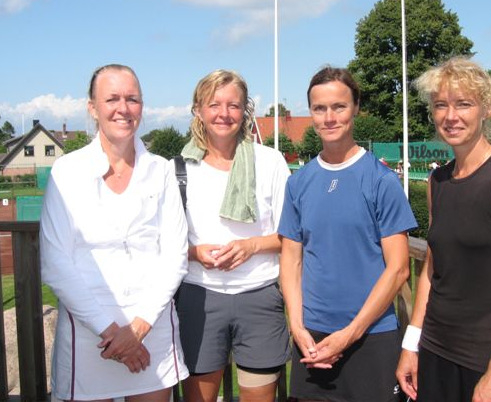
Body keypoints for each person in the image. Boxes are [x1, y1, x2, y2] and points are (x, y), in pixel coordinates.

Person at [396, 56, 491, 402]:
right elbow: (434, 269)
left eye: (463, 104)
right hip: (437, 353)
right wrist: (412, 344)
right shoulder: (438, 180)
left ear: (485, 108)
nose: (451, 116)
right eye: (440, 105)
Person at [40, 64, 189, 401]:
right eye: (112, 99)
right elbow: (55, 263)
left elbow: (175, 256)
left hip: (152, 331)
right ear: (92, 108)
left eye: (132, 99)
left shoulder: (161, 170)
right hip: (88, 335)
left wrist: (137, 330)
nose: (123, 108)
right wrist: (115, 335)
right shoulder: (67, 171)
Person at [278, 66, 417, 402]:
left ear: (356, 107)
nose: (329, 117)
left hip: (370, 336)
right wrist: (297, 327)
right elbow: (291, 261)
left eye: (338, 106)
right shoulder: (299, 182)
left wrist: (348, 335)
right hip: (312, 339)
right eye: (319, 108)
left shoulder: (381, 180)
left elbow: (398, 268)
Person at [175, 69, 291, 402]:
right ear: (198, 110)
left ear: (245, 110)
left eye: (233, 105)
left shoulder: (270, 162)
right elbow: (164, 242)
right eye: (214, 104)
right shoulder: (178, 168)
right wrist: (195, 253)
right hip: (199, 297)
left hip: (260, 297)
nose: (224, 114)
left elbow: (291, 236)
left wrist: (252, 245)